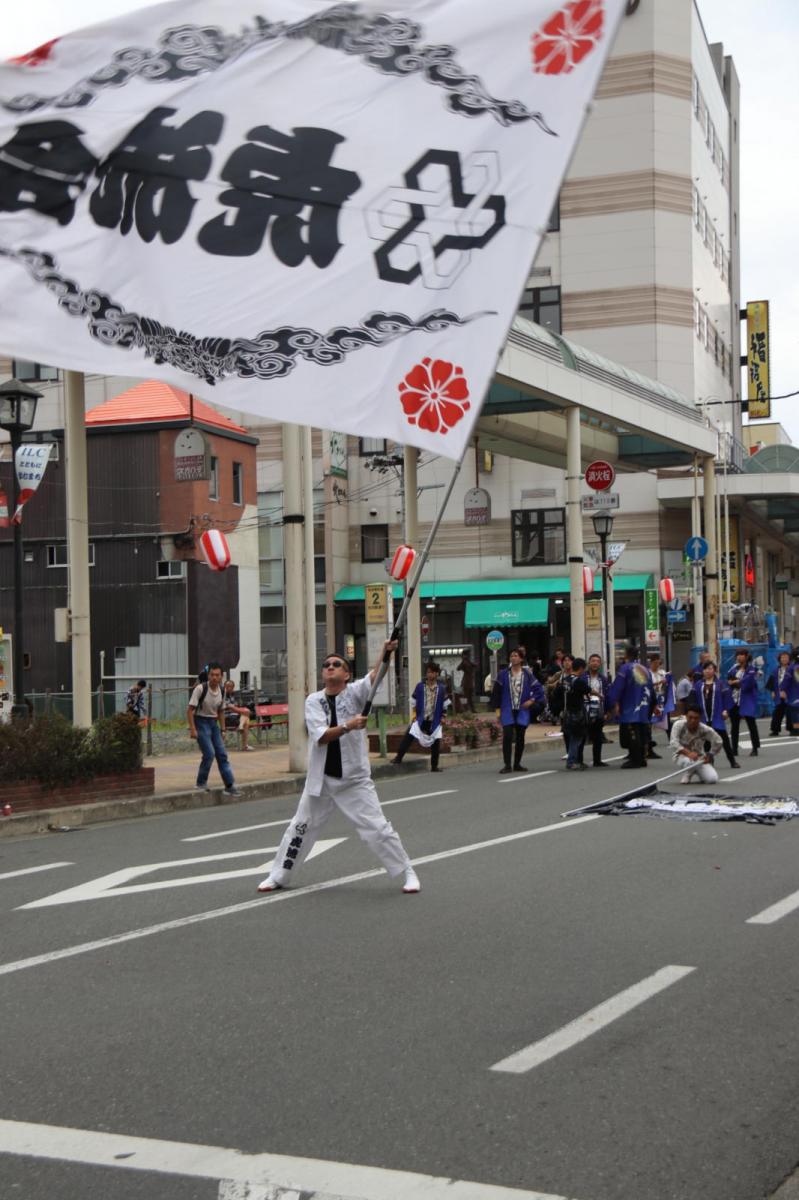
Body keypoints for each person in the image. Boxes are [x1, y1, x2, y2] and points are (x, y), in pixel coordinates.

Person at [257, 642, 420, 895]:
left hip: (353, 780)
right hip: (321, 780)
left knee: (377, 828)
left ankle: (407, 871)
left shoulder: (355, 693)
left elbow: (376, 676)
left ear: (346, 674)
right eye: (326, 665)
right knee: (300, 827)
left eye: (337, 665)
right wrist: (349, 725)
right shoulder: (313, 701)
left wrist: (387, 652)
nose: (330, 667)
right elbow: (320, 736)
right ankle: (278, 875)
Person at [187, 663, 242, 796]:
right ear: (208, 675)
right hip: (200, 721)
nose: (214, 677)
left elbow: (221, 711)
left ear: (221, 676)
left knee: (222, 754)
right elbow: (190, 710)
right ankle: (201, 782)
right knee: (209, 753)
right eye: (212, 674)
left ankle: (229, 785)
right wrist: (193, 729)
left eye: (217, 675)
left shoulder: (222, 690)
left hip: (213, 723)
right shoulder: (200, 689)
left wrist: (223, 730)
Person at [491, 646, 545, 774]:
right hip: (507, 709)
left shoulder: (527, 675)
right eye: (512, 656)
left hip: (522, 710)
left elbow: (539, 689)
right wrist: (497, 711)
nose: (513, 658)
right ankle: (507, 765)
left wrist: (531, 700)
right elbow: (496, 693)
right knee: (508, 736)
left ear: (521, 659)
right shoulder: (503, 674)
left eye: (516, 656)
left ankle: (517, 763)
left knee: (520, 737)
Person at [392, 660, 448, 772]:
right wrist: (414, 716)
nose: (430, 674)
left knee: (435, 742)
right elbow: (413, 702)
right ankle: (398, 758)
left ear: (437, 673)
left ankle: (434, 766)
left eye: (432, 672)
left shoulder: (441, 689)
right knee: (408, 737)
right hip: (420, 718)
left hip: (434, 719)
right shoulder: (420, 686)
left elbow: (445, 705)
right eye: (428, 672)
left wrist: (443, 717)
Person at [608, 645, 654, 769]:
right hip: (644, 704)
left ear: (626, 655)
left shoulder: (625, 669)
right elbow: (651, 688)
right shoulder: (645, 669)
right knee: (642, 732)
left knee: (631, 733)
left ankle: (635, 759)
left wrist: (612, 702)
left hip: (630, 705)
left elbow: (618, 687)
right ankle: (641, 758)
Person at [692, 660, 738, 768]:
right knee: (707, 741)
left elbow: (727, 698)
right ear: (703, 671)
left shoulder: (721, 684)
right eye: (706, 669)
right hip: (703, 717)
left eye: (710, 669)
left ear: (714, 671)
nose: (708, 671)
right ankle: (709, 761)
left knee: (724, 740)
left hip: (717, 716)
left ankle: (732, 761)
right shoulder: (698, 685)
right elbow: (693, 700)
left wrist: (726, 710)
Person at [670, 704, 723, 784]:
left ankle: (698, 772)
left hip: (699, 758)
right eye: (690, 717)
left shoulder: (705, 729)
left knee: (712, 779)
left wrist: (710, 755)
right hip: (681, 756)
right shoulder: (678, 725)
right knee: (689, 761)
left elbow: (718, 741)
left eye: (696, 718)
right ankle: (688, 774)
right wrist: (688, 753)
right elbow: (673, 742)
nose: (693, 720)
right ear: (686, 716)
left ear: (700, 718)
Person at [552, 657, 590, 770]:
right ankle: (572, 761)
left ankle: (574, 760)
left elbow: (556, 694)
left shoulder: (564, 680)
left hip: (566, 713)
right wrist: (599, 695)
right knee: (576, 738)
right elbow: (589, 690)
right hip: (576, 713)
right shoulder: (578, 681)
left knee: (571, 737)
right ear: (582, 668)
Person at [727, 648, 761, 757]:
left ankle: (755, 748)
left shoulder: (751, 669)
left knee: (751, 724)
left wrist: (737, 682)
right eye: (738, 655)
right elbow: (729, 681)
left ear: (746, 656)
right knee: (734, 726)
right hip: (734, 699)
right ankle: (734, 749)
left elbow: (749, 682)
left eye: (741, 655)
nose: (739, 657)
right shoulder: (733, 669)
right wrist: (735, 682)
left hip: (747, 699)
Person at [584, 653, 611, 767]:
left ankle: (597, 760)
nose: (595, 663)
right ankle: (578, 760)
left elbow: (608, 695)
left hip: (599, 709)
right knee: (582, 735)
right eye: (593, 661)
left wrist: (608, 711)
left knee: (598, 736)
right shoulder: (583, 677)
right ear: (589, 663)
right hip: (585, 709)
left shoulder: (603, 679)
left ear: (600, 664)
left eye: (597, 661)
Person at [647, 652, 675, 758]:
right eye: (654, 663)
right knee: (649, 723)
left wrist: (666, 680)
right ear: (651, 662)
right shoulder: (648, 673)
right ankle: (648, 745)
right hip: (651, 700)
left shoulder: (662, 673)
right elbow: (647, 685)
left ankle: (672, 739)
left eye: (658, 663)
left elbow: (668, 685)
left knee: (666, 718)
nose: (656, 665)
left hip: (661, 699)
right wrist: (658, 683)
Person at [767, 651, 796, 736]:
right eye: (782, 657)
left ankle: (792, 729)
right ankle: (775, 730)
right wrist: (772, 691)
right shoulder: (776, 670)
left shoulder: (793, 669)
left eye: (786, 657)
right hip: (779, 694)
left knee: (790, 712)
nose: (784, 659)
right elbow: (771, 682)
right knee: (777, 712)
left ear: (789, 659)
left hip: (791, 694)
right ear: (779, 659)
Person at [223, 678, 254, 751]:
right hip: (227, 718)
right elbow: (232, 708)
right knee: (246, 717)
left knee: (245, 720)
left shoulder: (233, 696)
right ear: (224, 687)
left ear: (233, 687)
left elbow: (237, 707)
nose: (229, 688)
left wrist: (244, 710)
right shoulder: (223, 695)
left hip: (235, 717)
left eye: (231, 686)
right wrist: (243, 711)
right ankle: (245, 745)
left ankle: (244, 745)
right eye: (227, 686)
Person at [456, 648, 476, 713]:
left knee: (469, 696)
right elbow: (458, 668)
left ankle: (471, 709)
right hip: (466, 682)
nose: (468, 656)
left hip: (469, 681)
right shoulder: (465, 661)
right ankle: (466, 709)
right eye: (467, 654)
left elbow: (473, 665)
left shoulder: (467, 661)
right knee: (466, 696)